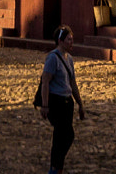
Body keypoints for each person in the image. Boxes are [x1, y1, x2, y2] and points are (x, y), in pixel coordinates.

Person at [37, 26, 85, 174]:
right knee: (62, 136)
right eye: (69, 40)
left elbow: (73, 83)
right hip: (56, 102)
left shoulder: (69, 59)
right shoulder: (53, 58)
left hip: (67, 102)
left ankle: (57, 167)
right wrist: (44, 105)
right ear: (60, 41)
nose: (71, 43)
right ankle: (55, 169)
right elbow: (45, 81)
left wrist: (80, 103)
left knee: (66, 136)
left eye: (72, 40)